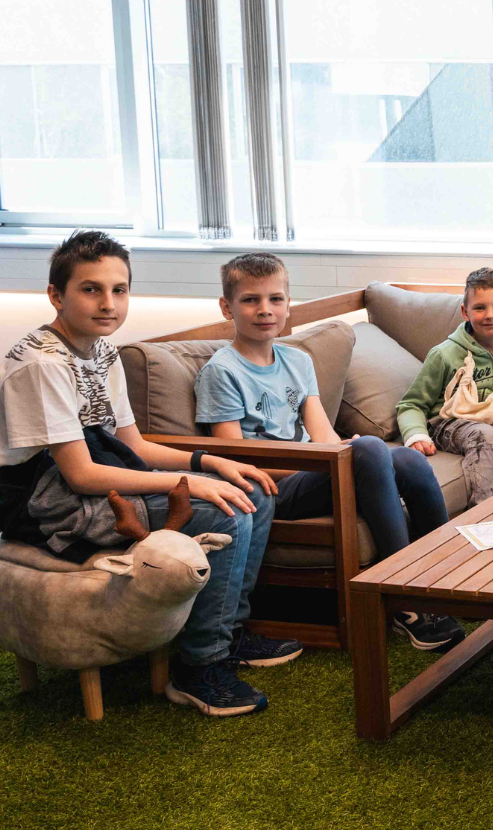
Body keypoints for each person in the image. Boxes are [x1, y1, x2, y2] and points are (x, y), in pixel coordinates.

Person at [0, 231, 284, 717]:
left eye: (119, 289)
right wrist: (190, 486)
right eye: (91, 289)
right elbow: (80, 476)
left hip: (101, 477)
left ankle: (228, 634)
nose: (108, 303)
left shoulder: (103, 351)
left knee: (249, 492)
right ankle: (199, 667)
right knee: (222, 511)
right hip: (46, 502)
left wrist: (209, 463)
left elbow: (133, 446)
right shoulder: (41, 363)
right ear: (56, 295)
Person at [195, 252, 463, 652]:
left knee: (405, 457)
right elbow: (236, 461)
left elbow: (322, 433)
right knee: (369, 448)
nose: (265, 309)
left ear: (288, 304)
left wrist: (348, 451)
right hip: (272, 486)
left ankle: (445, 582)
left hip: (317, 468)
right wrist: (346, 457)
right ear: (226, 307)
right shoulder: (222, 372)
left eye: (275, 299)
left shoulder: (297, 360)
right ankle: (401, 601)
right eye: (250, 300)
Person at [397, 267, 493, 505]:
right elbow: (411, 404)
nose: (490, 315)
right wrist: (416, 435)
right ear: (465, 312)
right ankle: (482, 513)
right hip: (451, 422)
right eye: (479, 308)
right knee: (484, 434)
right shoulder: (444, 355)